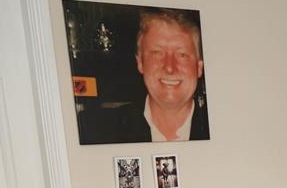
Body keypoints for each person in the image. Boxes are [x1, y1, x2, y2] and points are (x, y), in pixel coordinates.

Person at [77, 9, 210, 143]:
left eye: (182, 55)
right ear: (140, 63)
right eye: (157, 53)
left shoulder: (220, 127)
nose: (169, 68)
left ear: (199, 67)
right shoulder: (95, 130)